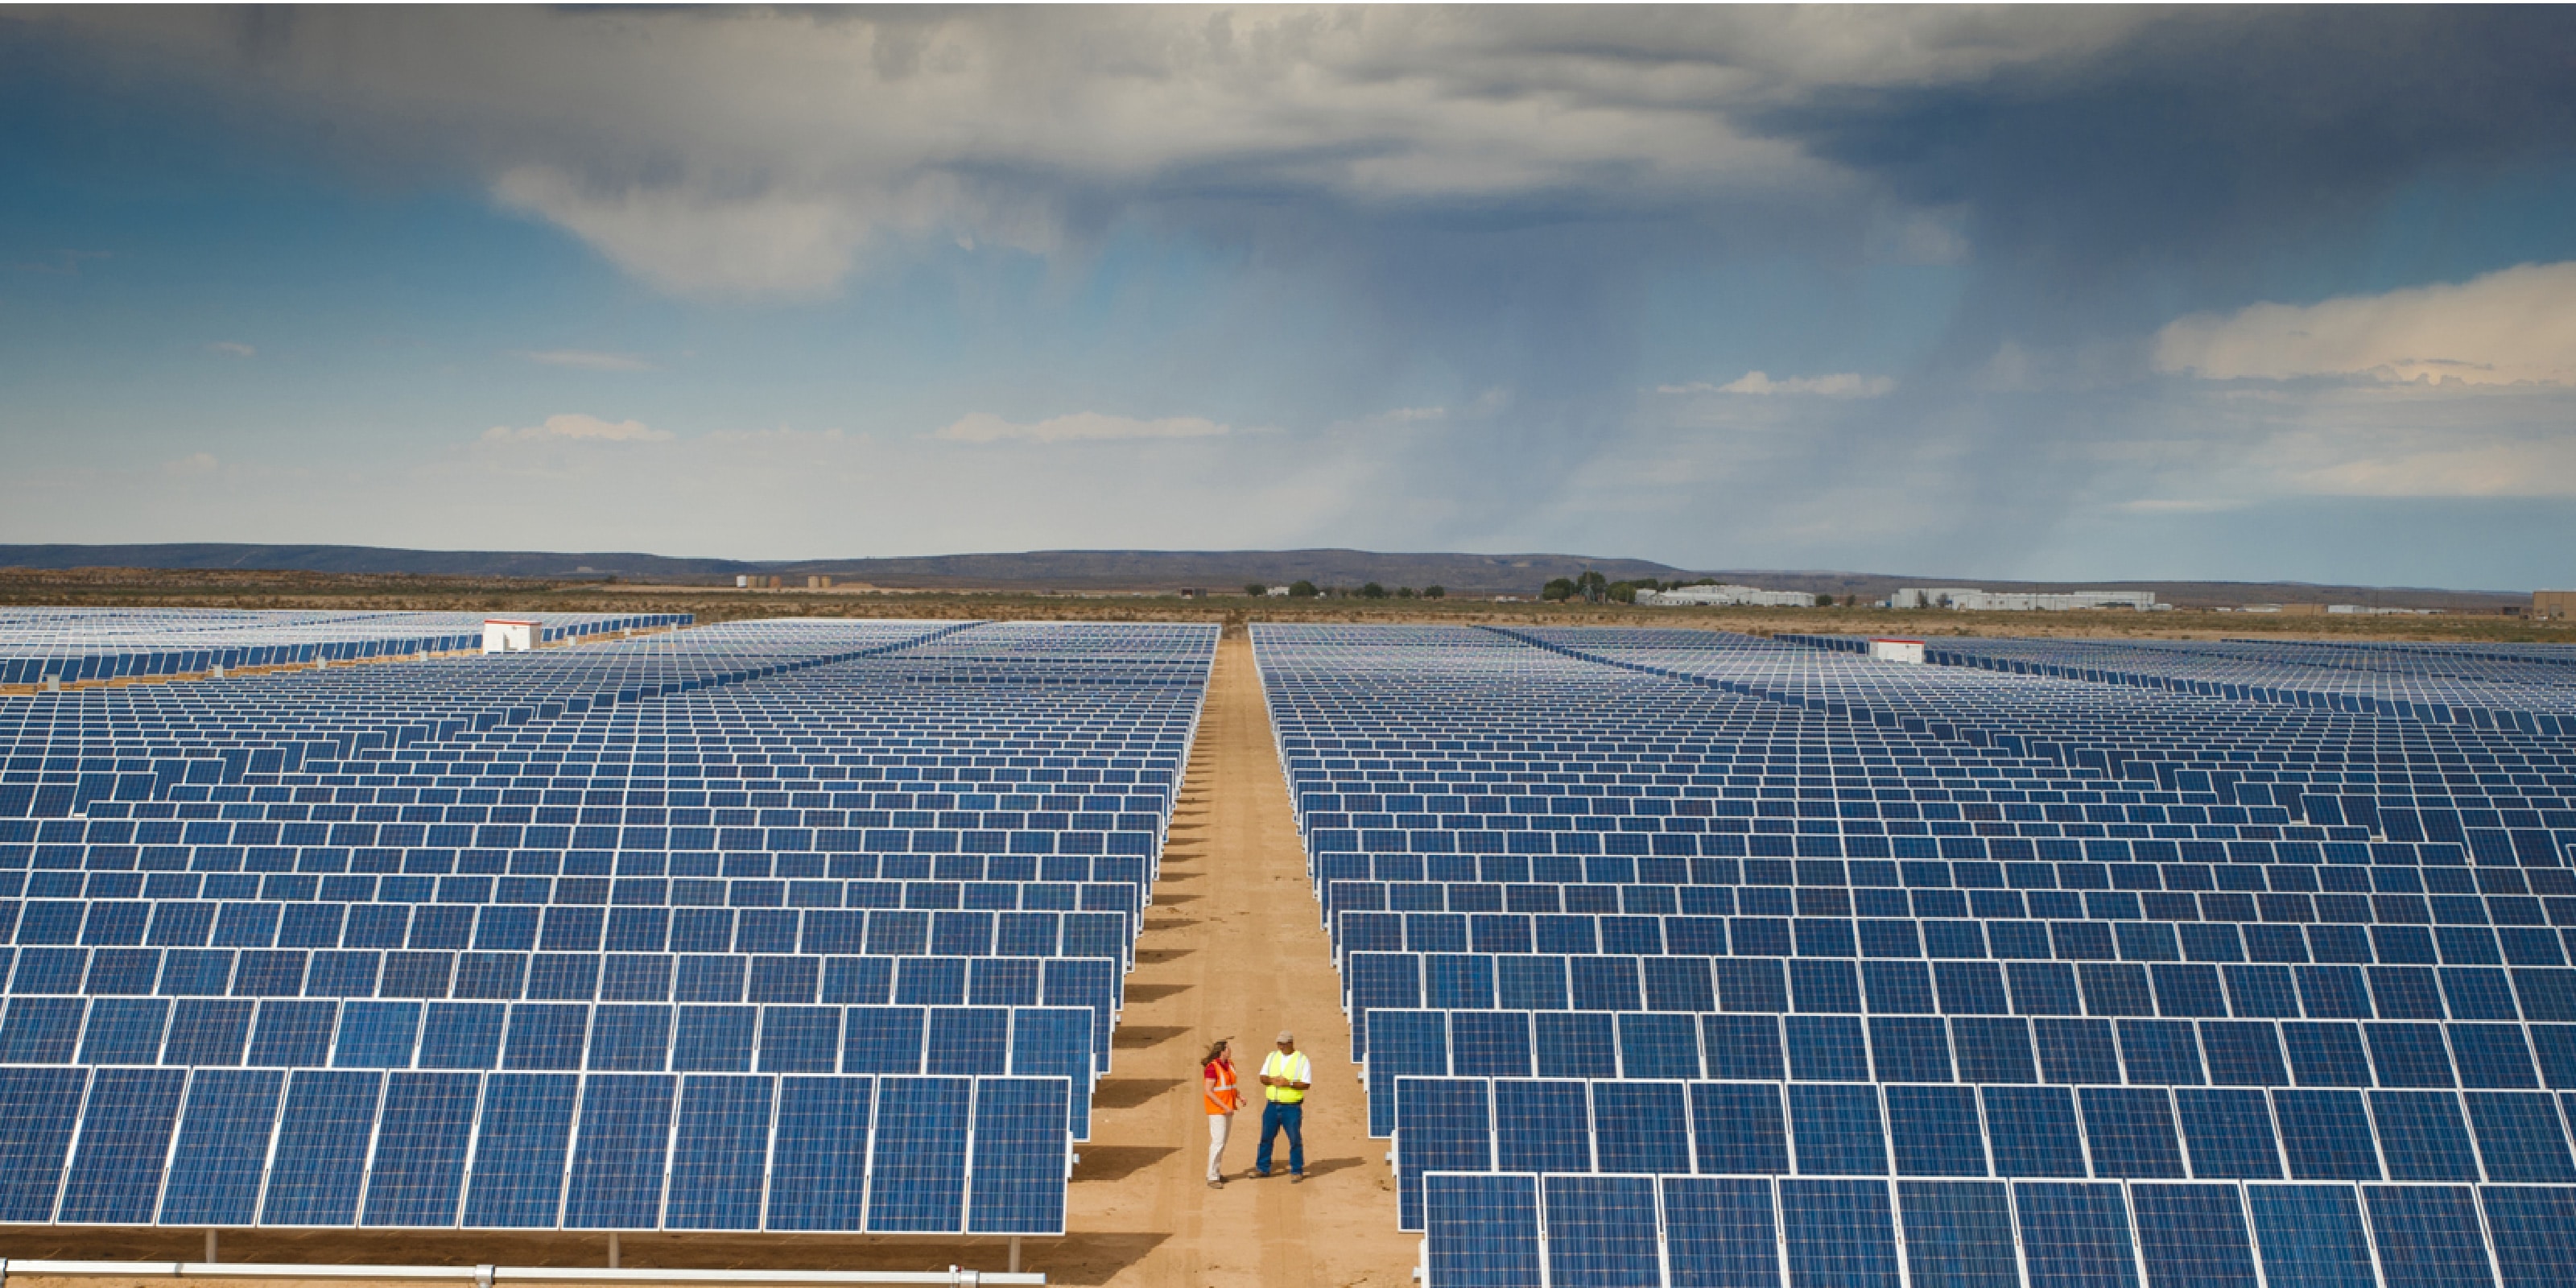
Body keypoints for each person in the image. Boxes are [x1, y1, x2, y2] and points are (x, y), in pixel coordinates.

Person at [1254, 1030, 1311, 1182]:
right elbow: (1262, 1077)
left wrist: (1289, 1083)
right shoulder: (1272, 1057)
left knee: (1294, 1140)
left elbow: (1306, 1084)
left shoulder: (1302, 1060)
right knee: (1266, 1137)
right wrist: (1272, 1081)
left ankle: (1296, 1170)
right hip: (1272, 1105)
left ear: (1291, 1044)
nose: (1280, 1047)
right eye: (1279, 1044)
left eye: (1283, 1044)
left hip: (1291, 1107)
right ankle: (1262, 1168)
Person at [1200, 1038, 1241, 1188]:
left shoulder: (1230, 1064)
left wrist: (1239, 1096)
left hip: (1227, 1108)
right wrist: (1224, 1106)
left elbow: (1230, 1085)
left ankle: (1215, 1173)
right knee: (1218, 1142)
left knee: (1222, 1142)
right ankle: (1212, 1177)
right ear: (1221, 1051)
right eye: (1228, 1048)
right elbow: (1208, 1091)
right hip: (1217, 1110)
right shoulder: (1212, 1068)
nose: (1230, 1050)